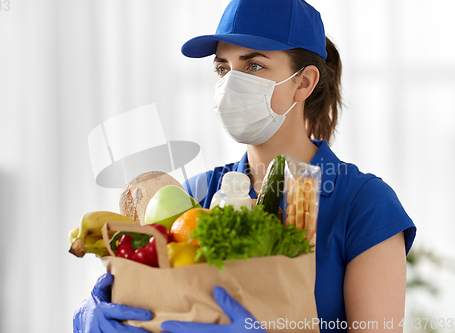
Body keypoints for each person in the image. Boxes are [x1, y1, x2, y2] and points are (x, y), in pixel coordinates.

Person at [74, 0, 416, 332]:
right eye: (223, 67)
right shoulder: (193, 194)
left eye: (254, 66)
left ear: (304, 82)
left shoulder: (366, 205)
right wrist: (96, 317)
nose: (230, 84)